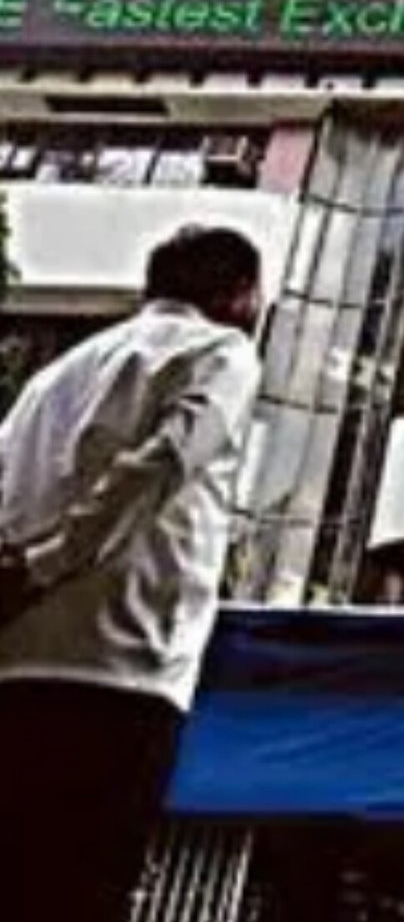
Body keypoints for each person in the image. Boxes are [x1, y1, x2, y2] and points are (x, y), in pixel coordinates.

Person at [0, 224, 264, 922]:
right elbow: (165, 461)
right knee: (81, 886)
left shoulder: (55, 377)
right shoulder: (222, 351)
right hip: (124, 664)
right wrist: (47, 563)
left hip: (19, 664)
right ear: (239, 295)